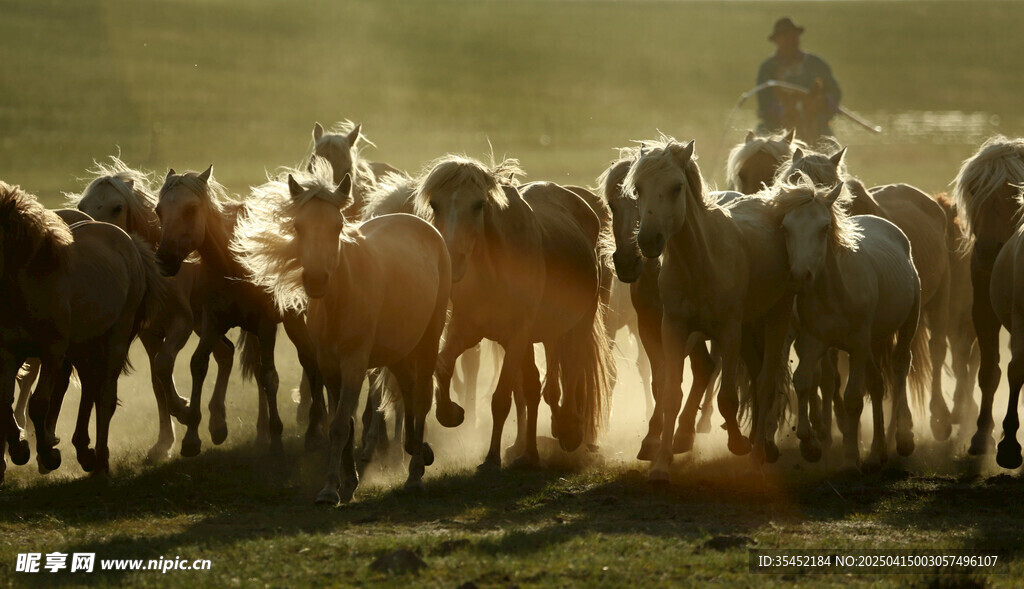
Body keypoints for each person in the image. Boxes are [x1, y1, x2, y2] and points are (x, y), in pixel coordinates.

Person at [756, 18, 841, 139]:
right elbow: (764, 102)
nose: (791, 40)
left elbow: (834, 91)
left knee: (829, 143)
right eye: (786, 36)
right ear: (777, 40)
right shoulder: (768, 68)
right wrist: (787, 112)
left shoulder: (816, 63)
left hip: (815, 120)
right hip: (777, 124)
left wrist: (823, 101)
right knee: (761, 141)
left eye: (794, 36)